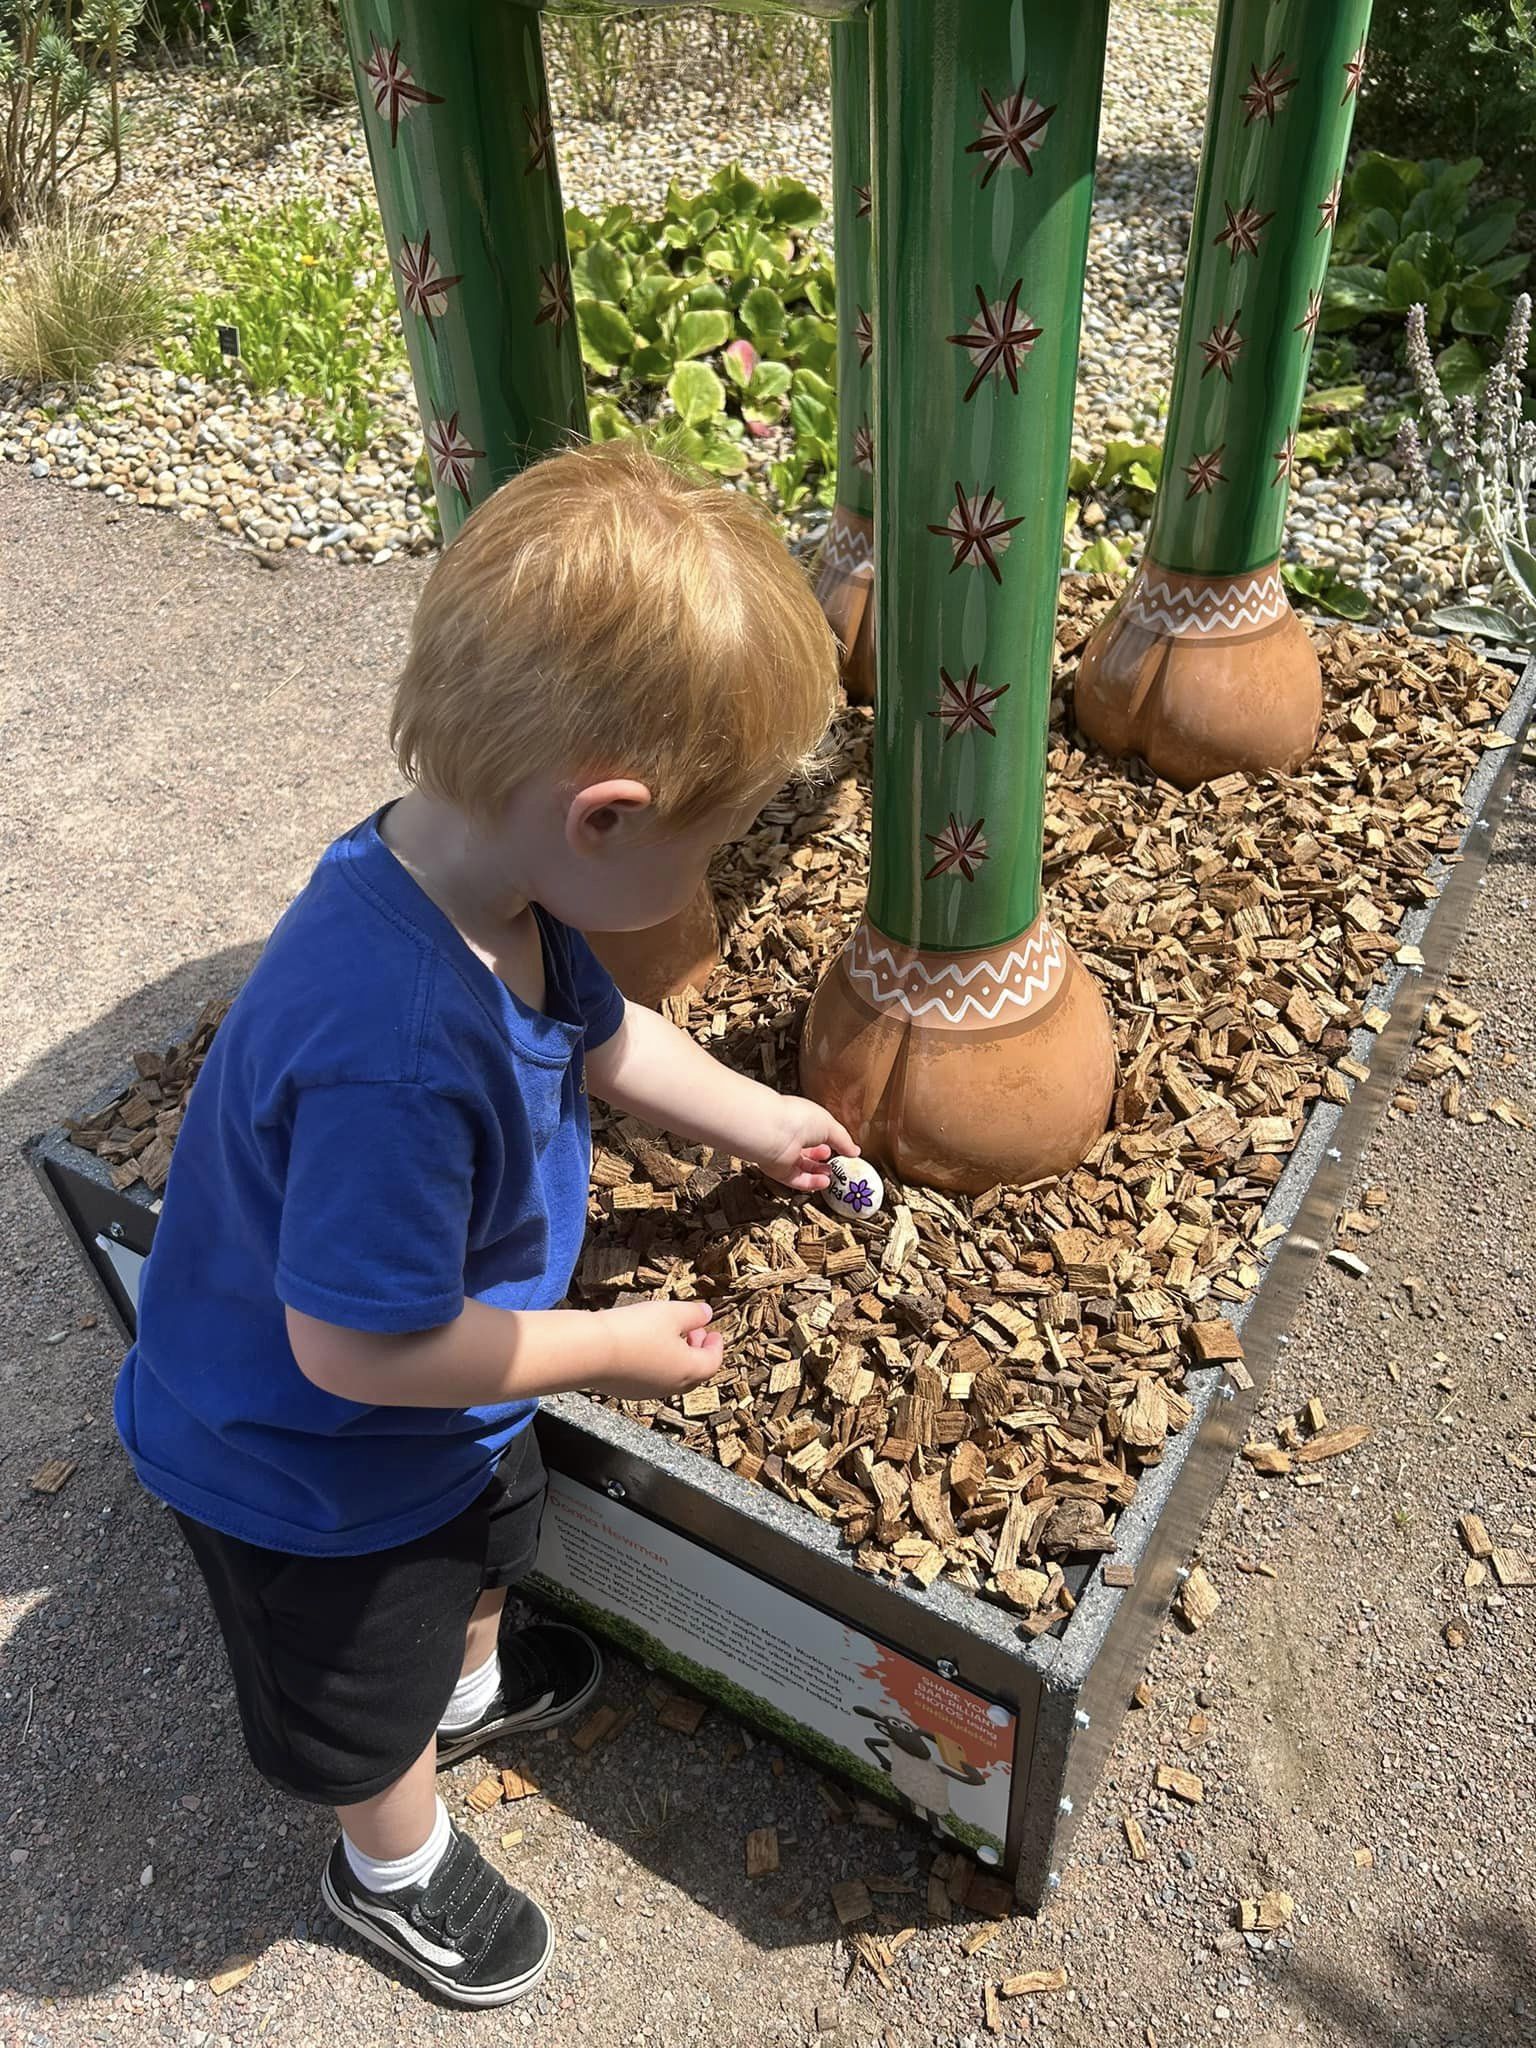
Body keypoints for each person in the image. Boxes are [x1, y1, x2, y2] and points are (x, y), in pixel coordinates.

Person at [114, 443, 854, 2009]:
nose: (702, 878)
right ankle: (390, 1859)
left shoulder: (479, 874)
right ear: (604, 817)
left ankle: (468, 1689)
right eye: (706, 847)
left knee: (483, 1541)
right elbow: (359, 1348)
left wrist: (756, 1115)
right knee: (357, 1684)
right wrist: (606, 1348)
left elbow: (604, 1038)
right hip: (303, 1454)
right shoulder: (392, 1042)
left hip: (449, 1392)